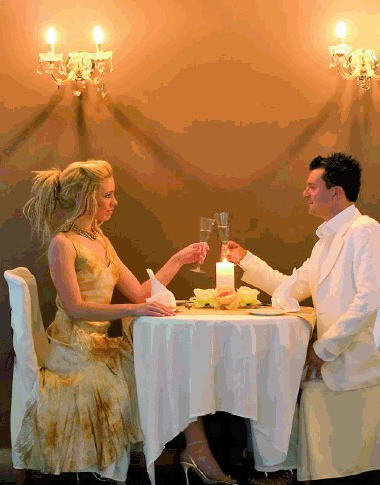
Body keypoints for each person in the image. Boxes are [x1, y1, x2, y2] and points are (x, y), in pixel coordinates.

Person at [19, 159, 236, 484]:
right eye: (107, 195)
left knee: (168, 363)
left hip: (100, 347)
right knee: (152, 370)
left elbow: (140, 292)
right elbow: (76, 309)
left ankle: (196, 450)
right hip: (74, 352)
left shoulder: (99, 238)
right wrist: (137, 310)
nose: (115, 202)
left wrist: (179, 259)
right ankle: (178, 455)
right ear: (86, 199)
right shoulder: (62, 244)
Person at [226, 152, 380, 485]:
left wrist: (324, 349)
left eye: (312, 187)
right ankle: (278, 466)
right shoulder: (325, 243)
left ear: (336, 193)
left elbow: (371, 300)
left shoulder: (365, 230)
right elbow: (290, 286)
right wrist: (244, 259)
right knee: (268, 369)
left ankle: (280, 468)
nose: (305, 193)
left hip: (356, 357)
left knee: (275, 371)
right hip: (334, 352)